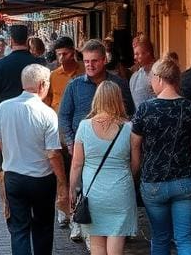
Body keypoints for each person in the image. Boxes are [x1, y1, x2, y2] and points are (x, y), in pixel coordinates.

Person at [131, 56, 191, 255]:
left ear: (159, 78)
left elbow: (135, 144)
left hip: (153, 181)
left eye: (152, 78)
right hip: (187, 179)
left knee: (160, 238)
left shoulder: (145, 109)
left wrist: (136, 169)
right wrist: (186, 149)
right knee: (185, 239)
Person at [0, 63, 69, 255]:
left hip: (14, 177)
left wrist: (11, 143)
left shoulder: (4, 107)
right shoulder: (47, 113)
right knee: (43, 228)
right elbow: (53, 153)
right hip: (41, 178)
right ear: (42, 84)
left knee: (19, 229)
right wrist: (62, 182)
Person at [58, 39, 135, 243]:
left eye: (95, 61)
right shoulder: (74, 85)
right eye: (86, 61)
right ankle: (79, 222)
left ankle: (113, 229)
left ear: (104, 60)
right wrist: (70, 141)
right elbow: (64, 116)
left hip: (112, 147)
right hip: (82, 145)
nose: (90, 65)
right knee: (82, 188)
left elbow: (131, 114)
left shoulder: (118, 84)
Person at [69, 80, 137, 255]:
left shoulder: (84, 126)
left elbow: (77, 164)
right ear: (118, 100)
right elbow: (135, 164)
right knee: (117, 240)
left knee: (97, 245)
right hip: (120, 192)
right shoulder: (129, 128)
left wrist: (71, 189)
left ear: (97, 99)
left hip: (93, 194)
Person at [0, 24, 40, 219]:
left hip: (6, 124)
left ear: (11, 41)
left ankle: (8, 205)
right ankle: (32, 206)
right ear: (28, 39)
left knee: (4, 166)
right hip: (34, 122)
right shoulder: (37, 65)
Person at [46, 36, 84, 229]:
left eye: (66, 53)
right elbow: (48, 99)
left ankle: (77, 211)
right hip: (58, 131)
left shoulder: (84, 71)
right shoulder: (54, 75)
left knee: (76, 173)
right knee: (60, 173)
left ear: (74, 51)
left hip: (80, 129)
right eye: (59, 54)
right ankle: (62, 209)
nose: (62, 58)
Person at [129, 36, 156, 106]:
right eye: (135, 54)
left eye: (137, 54)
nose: (135, 57)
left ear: (148, 53)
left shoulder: (160, 74)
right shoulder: (134, 77)